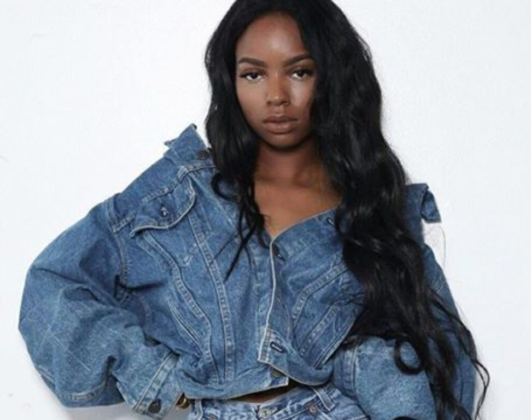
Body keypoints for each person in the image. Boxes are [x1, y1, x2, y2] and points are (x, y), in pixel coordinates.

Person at [18, 0, 489, 419]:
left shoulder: (372, 208)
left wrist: (355, 364)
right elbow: (55, 283)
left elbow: (442, 357)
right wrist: (158, 381)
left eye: (299, 72)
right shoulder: (180, 194)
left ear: (330, 77)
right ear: (230, 81)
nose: (277, 95)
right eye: (253, 74)